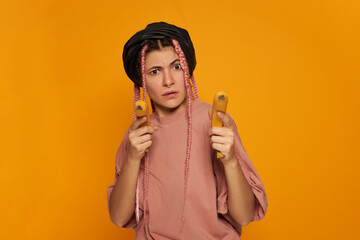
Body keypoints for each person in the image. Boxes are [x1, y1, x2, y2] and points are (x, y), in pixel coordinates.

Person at [107, 22, 268, 239]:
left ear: (188, 69)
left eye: (176, 66)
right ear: (141, 81)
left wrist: (230, 160)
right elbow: (118, 217)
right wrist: (133, 158)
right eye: (155, 71)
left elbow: (244, 216)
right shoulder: (137, 134)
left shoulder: (213, 121)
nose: (168, 81)